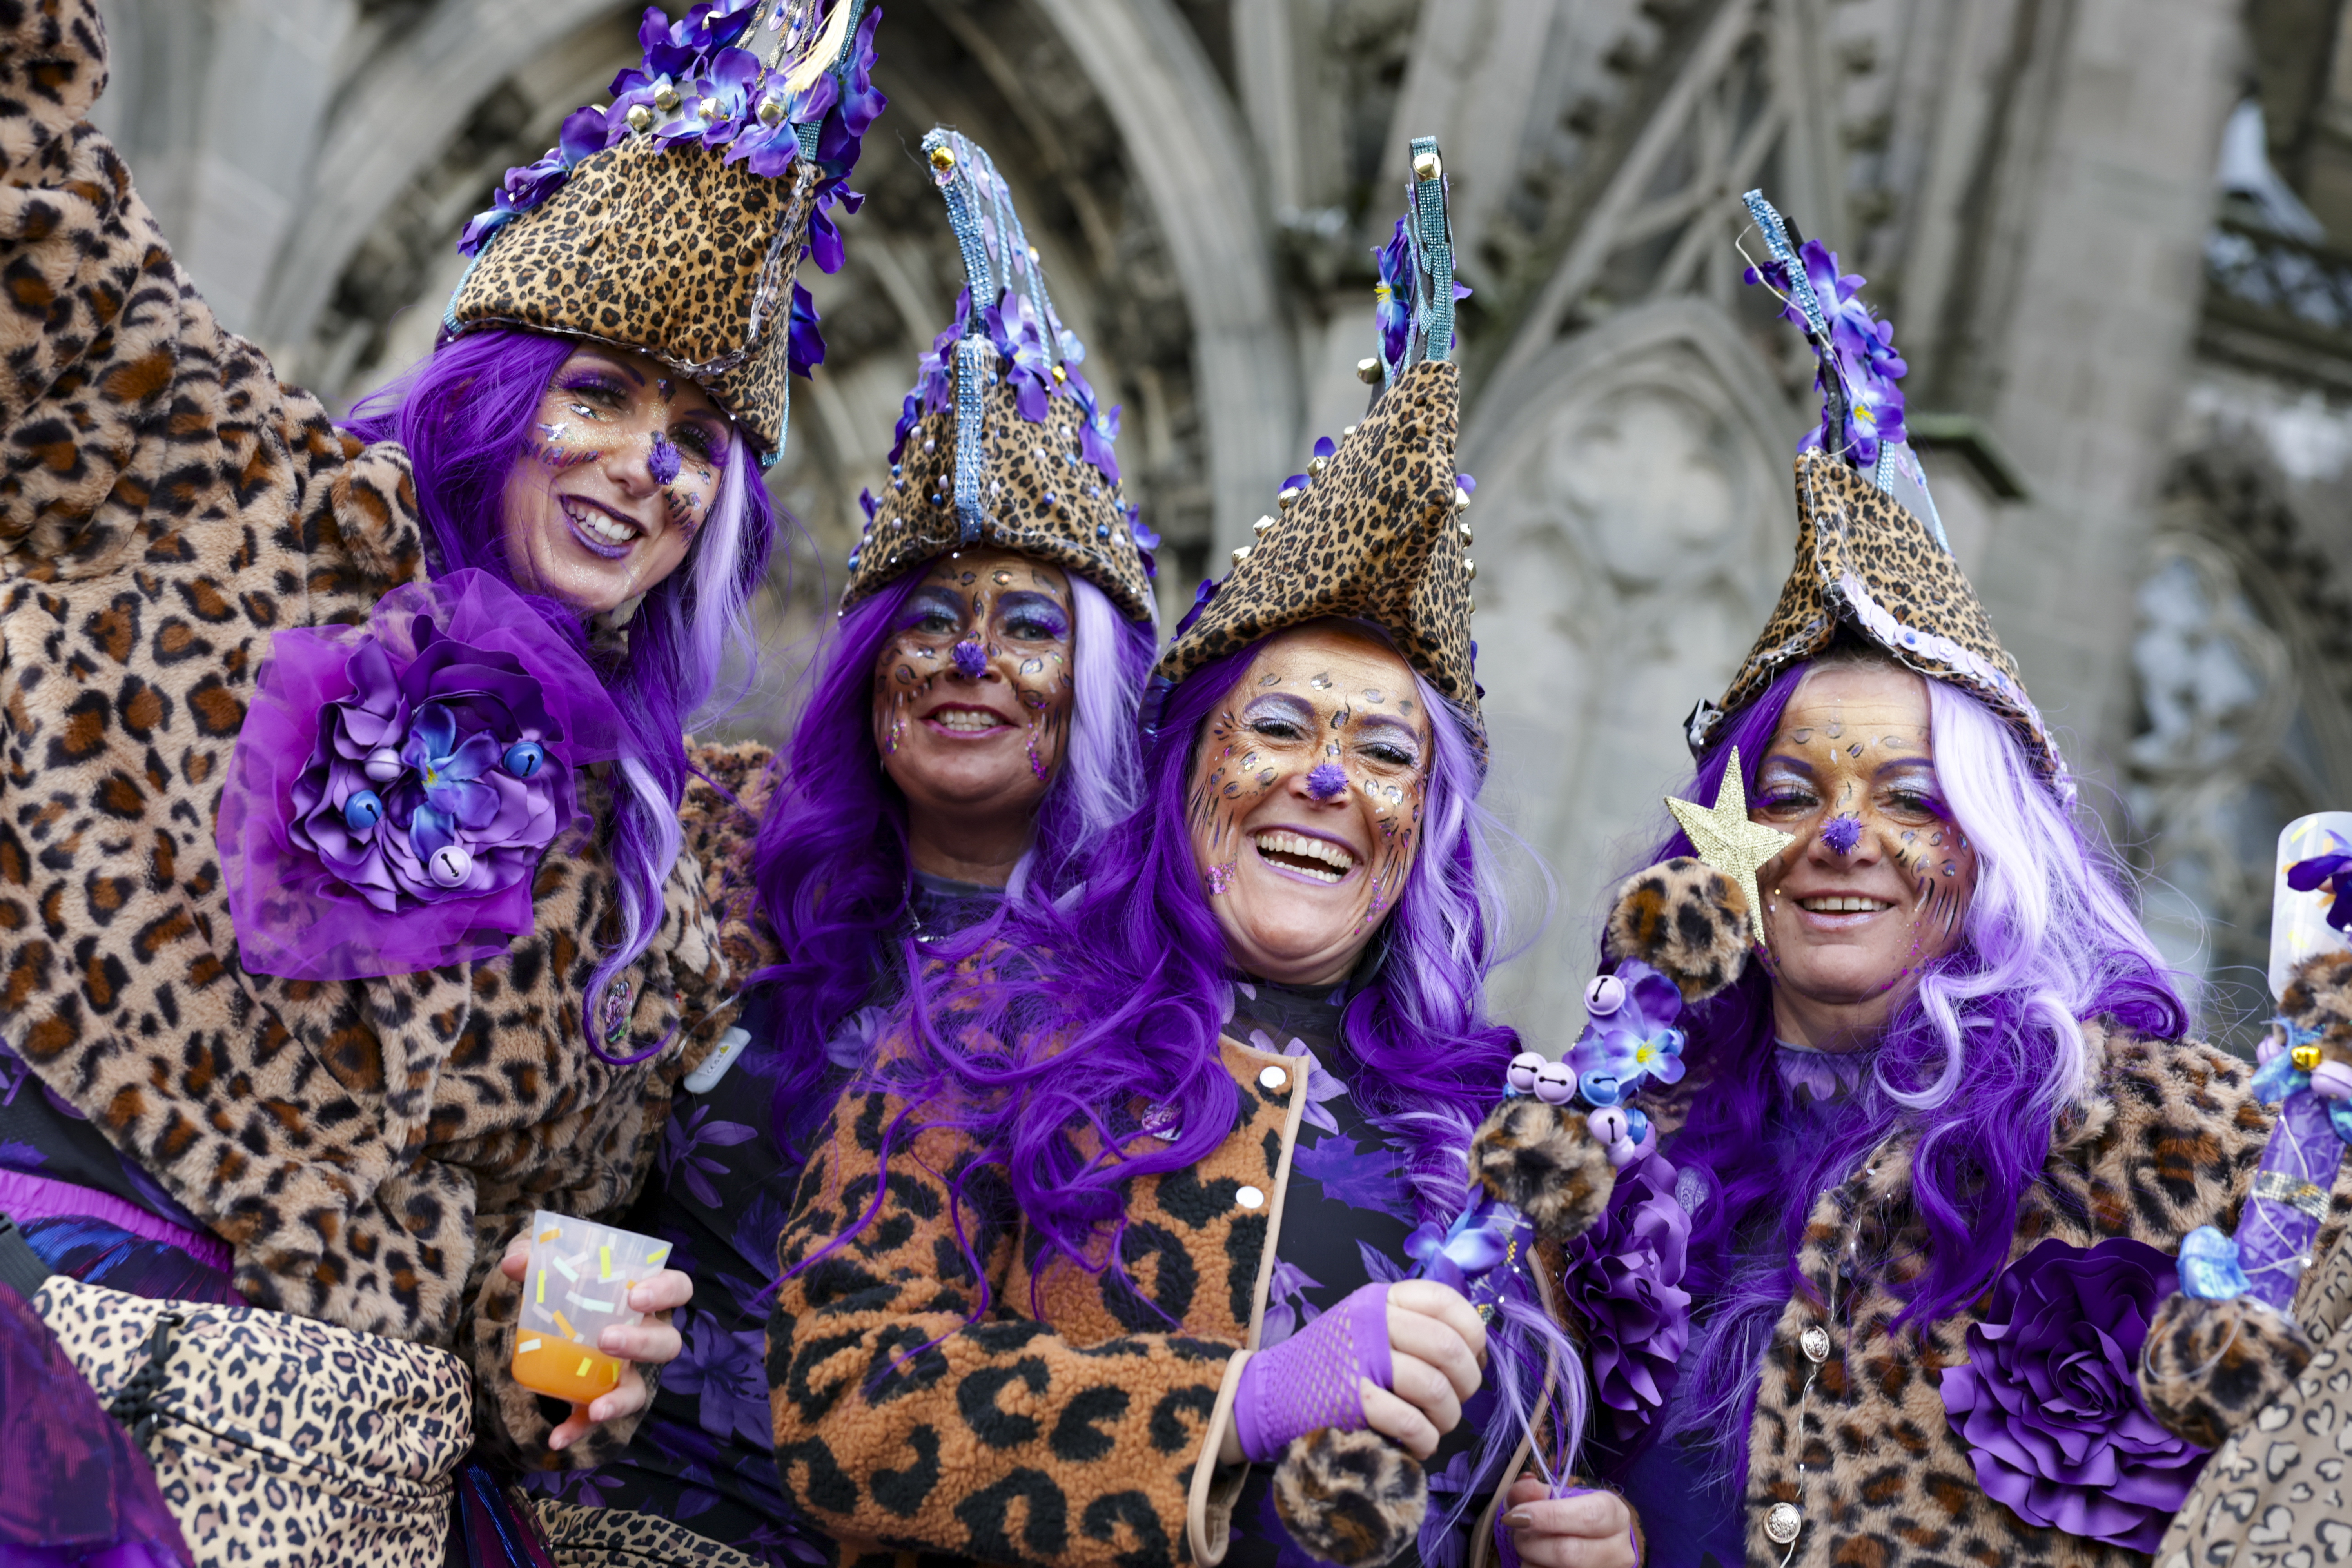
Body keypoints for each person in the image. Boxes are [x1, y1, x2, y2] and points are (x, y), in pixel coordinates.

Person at [0, 0, 878, 1557]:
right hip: (51, 1344)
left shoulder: (641, 880)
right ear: (499, 396)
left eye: (695, 440)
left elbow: (489, 1257)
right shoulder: (259, 512)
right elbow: (51, 262)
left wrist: (557, 1361)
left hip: (337, 1468)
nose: (643, 467)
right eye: (599, 393)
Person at [762, 143, 1626, 1568]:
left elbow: (1480, 1492)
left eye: (1389, 755)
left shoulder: (1488, 1135)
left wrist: (1560, 1544)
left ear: (1429, 832)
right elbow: (840, 1395)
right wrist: (1237, 1406)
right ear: (1184, 780)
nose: (1328, 783)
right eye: (1278, 727)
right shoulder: (995, 1016)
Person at [1526, 193, 2271, 1567]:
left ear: (1995, 851)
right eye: (1794, 794)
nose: (1843, 837)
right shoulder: (1616, 1144)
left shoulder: (2162, 1141)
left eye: (1911, 799)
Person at [519, 129, 1160, 1568]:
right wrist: (554, 1370)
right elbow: (566, 1164)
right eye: (928, 618)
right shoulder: (708, 852)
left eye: (1032, 626)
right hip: (578, 1518)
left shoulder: (1152, 1000)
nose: (970, 658)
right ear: (869, 661)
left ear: (1102, 691)